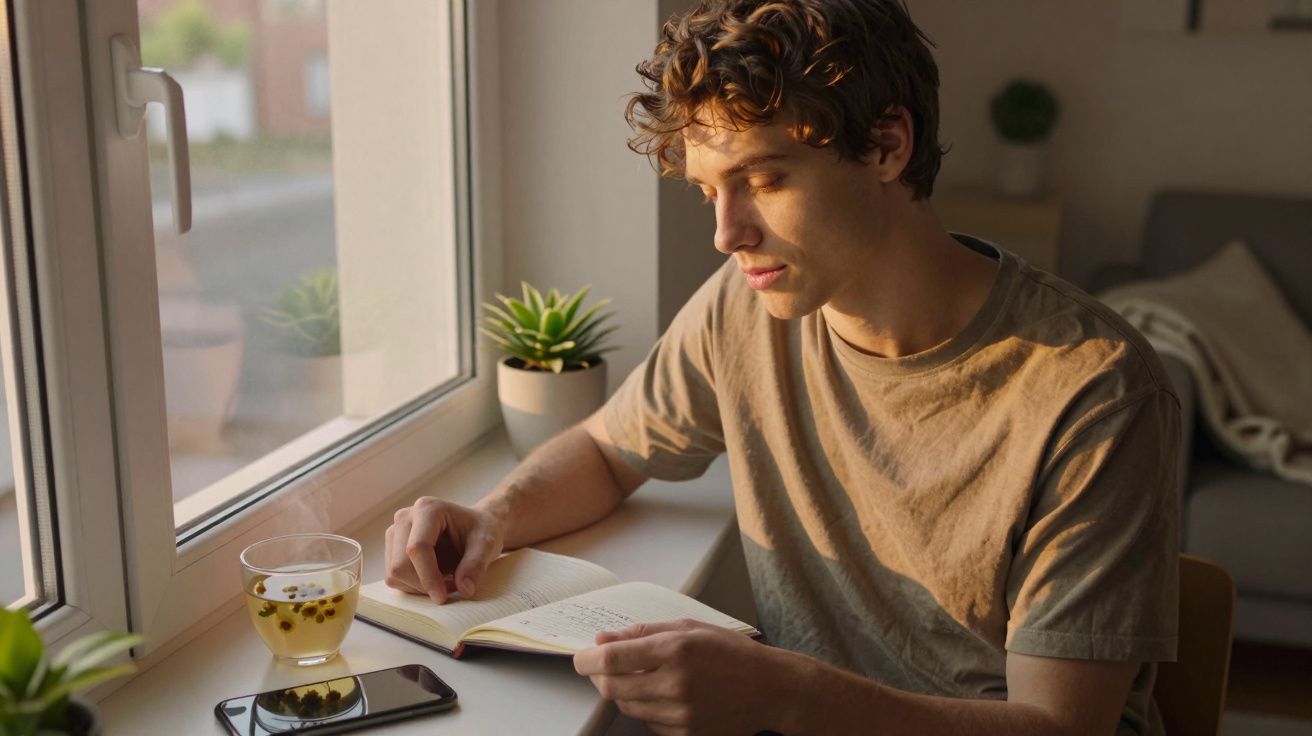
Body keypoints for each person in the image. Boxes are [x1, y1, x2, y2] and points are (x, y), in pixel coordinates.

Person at [385, 1, 1181, 733]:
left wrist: (785, 693)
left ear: (887, 146)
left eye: (762, 180)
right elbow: (604, 450)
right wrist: (492, 517)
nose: (728, 235)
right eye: (708, 193)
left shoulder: (1092, 387)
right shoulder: (745, 308)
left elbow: (1061, 728)